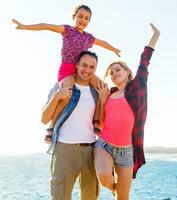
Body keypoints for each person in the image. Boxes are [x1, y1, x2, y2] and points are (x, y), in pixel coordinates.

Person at [12, 4, 121, 142]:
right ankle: (51, 127)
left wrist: (113, 49)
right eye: (80, 16)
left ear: (89, 21)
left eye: (86, 18)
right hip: (68, 69)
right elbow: (47, 26)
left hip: (83, 70)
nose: (83, 20)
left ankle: (96, 121)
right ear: (74, 17)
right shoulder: (67, 30)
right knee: (67, 94)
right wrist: (26, 26)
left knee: (102, 87)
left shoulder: (88, 38)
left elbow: (102, 42)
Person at [94, 23, 160, 200]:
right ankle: (114, 187)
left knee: (123, 198)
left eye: (118, 69)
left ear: (127, 71)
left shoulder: (137, 87)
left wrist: (155, 35)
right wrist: (101, 99)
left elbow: (144, 60)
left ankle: (119, 191)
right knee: (104, 177)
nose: (115, 73)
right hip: (104, 145)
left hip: (127, 151)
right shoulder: (108, 94)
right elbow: (100, 122)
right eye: (111, 72)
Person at [41, 50, 102, 200]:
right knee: (60, 195)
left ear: (95, 69)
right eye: (84, 65)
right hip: (64, 149)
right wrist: (56, 97)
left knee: (90, 196)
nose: (87, 70)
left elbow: (101, 122)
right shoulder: (62, 85)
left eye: (92, 67)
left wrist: (104, 99)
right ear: (76, 65)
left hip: (90, 150)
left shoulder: (97, 91)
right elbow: (44, 118)